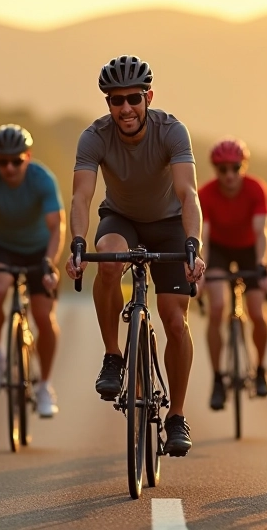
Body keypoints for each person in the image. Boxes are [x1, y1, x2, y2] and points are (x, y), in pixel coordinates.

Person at [65, 55, 205, 457]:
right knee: (108, 258)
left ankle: (176, 415)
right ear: (107, 103)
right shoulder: (94, 136)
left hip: (169, 222)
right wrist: (77, 241)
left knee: (175, 321)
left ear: (148, 97)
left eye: (132, 99)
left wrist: (192, 243)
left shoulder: (171, 131)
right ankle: (113, 356)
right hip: (122, 218)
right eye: (115, 100)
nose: (125, 108)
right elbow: (81, 195)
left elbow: (188, 193)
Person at [0, 124, 65, 418]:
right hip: (3, 247)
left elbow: (56, 226)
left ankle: (45, 385)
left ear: (28, 157)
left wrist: (50, 262)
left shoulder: (43, 179)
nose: (8, 168)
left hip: (39, 250)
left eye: (16, 161)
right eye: (1, 161)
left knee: (44, 317)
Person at [198, 137, 267, 410]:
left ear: (243, 166)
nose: (229, 175)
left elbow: (262, 231)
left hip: (248, 249)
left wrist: (262, 266)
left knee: (257, 312)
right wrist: (201, 270)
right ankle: (218, 379)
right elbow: (203, 236)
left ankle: (262, 368)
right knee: (217, 306)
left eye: (235, 167)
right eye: (222, 169)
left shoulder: (256, 188)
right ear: (215, 170)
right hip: (218, 249)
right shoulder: (205, 193)